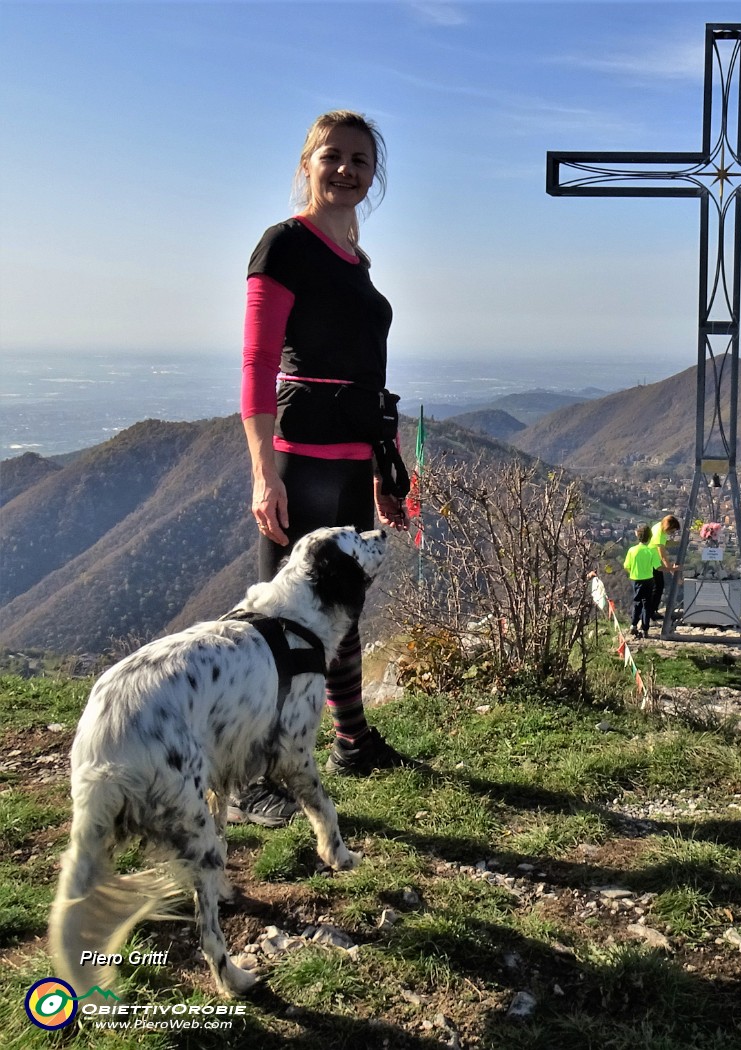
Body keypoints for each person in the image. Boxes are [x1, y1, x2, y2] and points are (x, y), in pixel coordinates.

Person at [231, 110, 415, 828]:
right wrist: (261, 473)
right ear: (307, 163)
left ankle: (352, 742)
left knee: (342, 612)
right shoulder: (284, 246)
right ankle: (250, 774)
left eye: (360, 161)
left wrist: (379, 469)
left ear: (374, 175)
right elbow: (255, 364)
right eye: (332, 156)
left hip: (348, 459)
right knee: (285, 619)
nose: (346, 170)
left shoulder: (357, 262)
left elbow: (367, 374)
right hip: (299, 457)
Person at [623, 524, 663, 637]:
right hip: (649, 580)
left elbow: (626, 566)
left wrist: (632, 572)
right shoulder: (651, 551)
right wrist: (672, 568)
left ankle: (633, 625)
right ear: (650, 538)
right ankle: (645, 629)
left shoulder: (632, 550)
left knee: (637, 602)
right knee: (647, 604)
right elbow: (657, 566)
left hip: (635, 579)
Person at [646, 513, 682, 626]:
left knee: (658, 587)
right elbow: (663, 556)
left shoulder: (658, 527)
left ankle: (652, 611)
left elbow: (664, 545)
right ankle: (650, 612)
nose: (671, 534)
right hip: (652, 561)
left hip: (653, 560)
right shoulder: (659, 534)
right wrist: (672, 571)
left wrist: (677, 543)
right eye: (672, 531)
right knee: (657, 587)